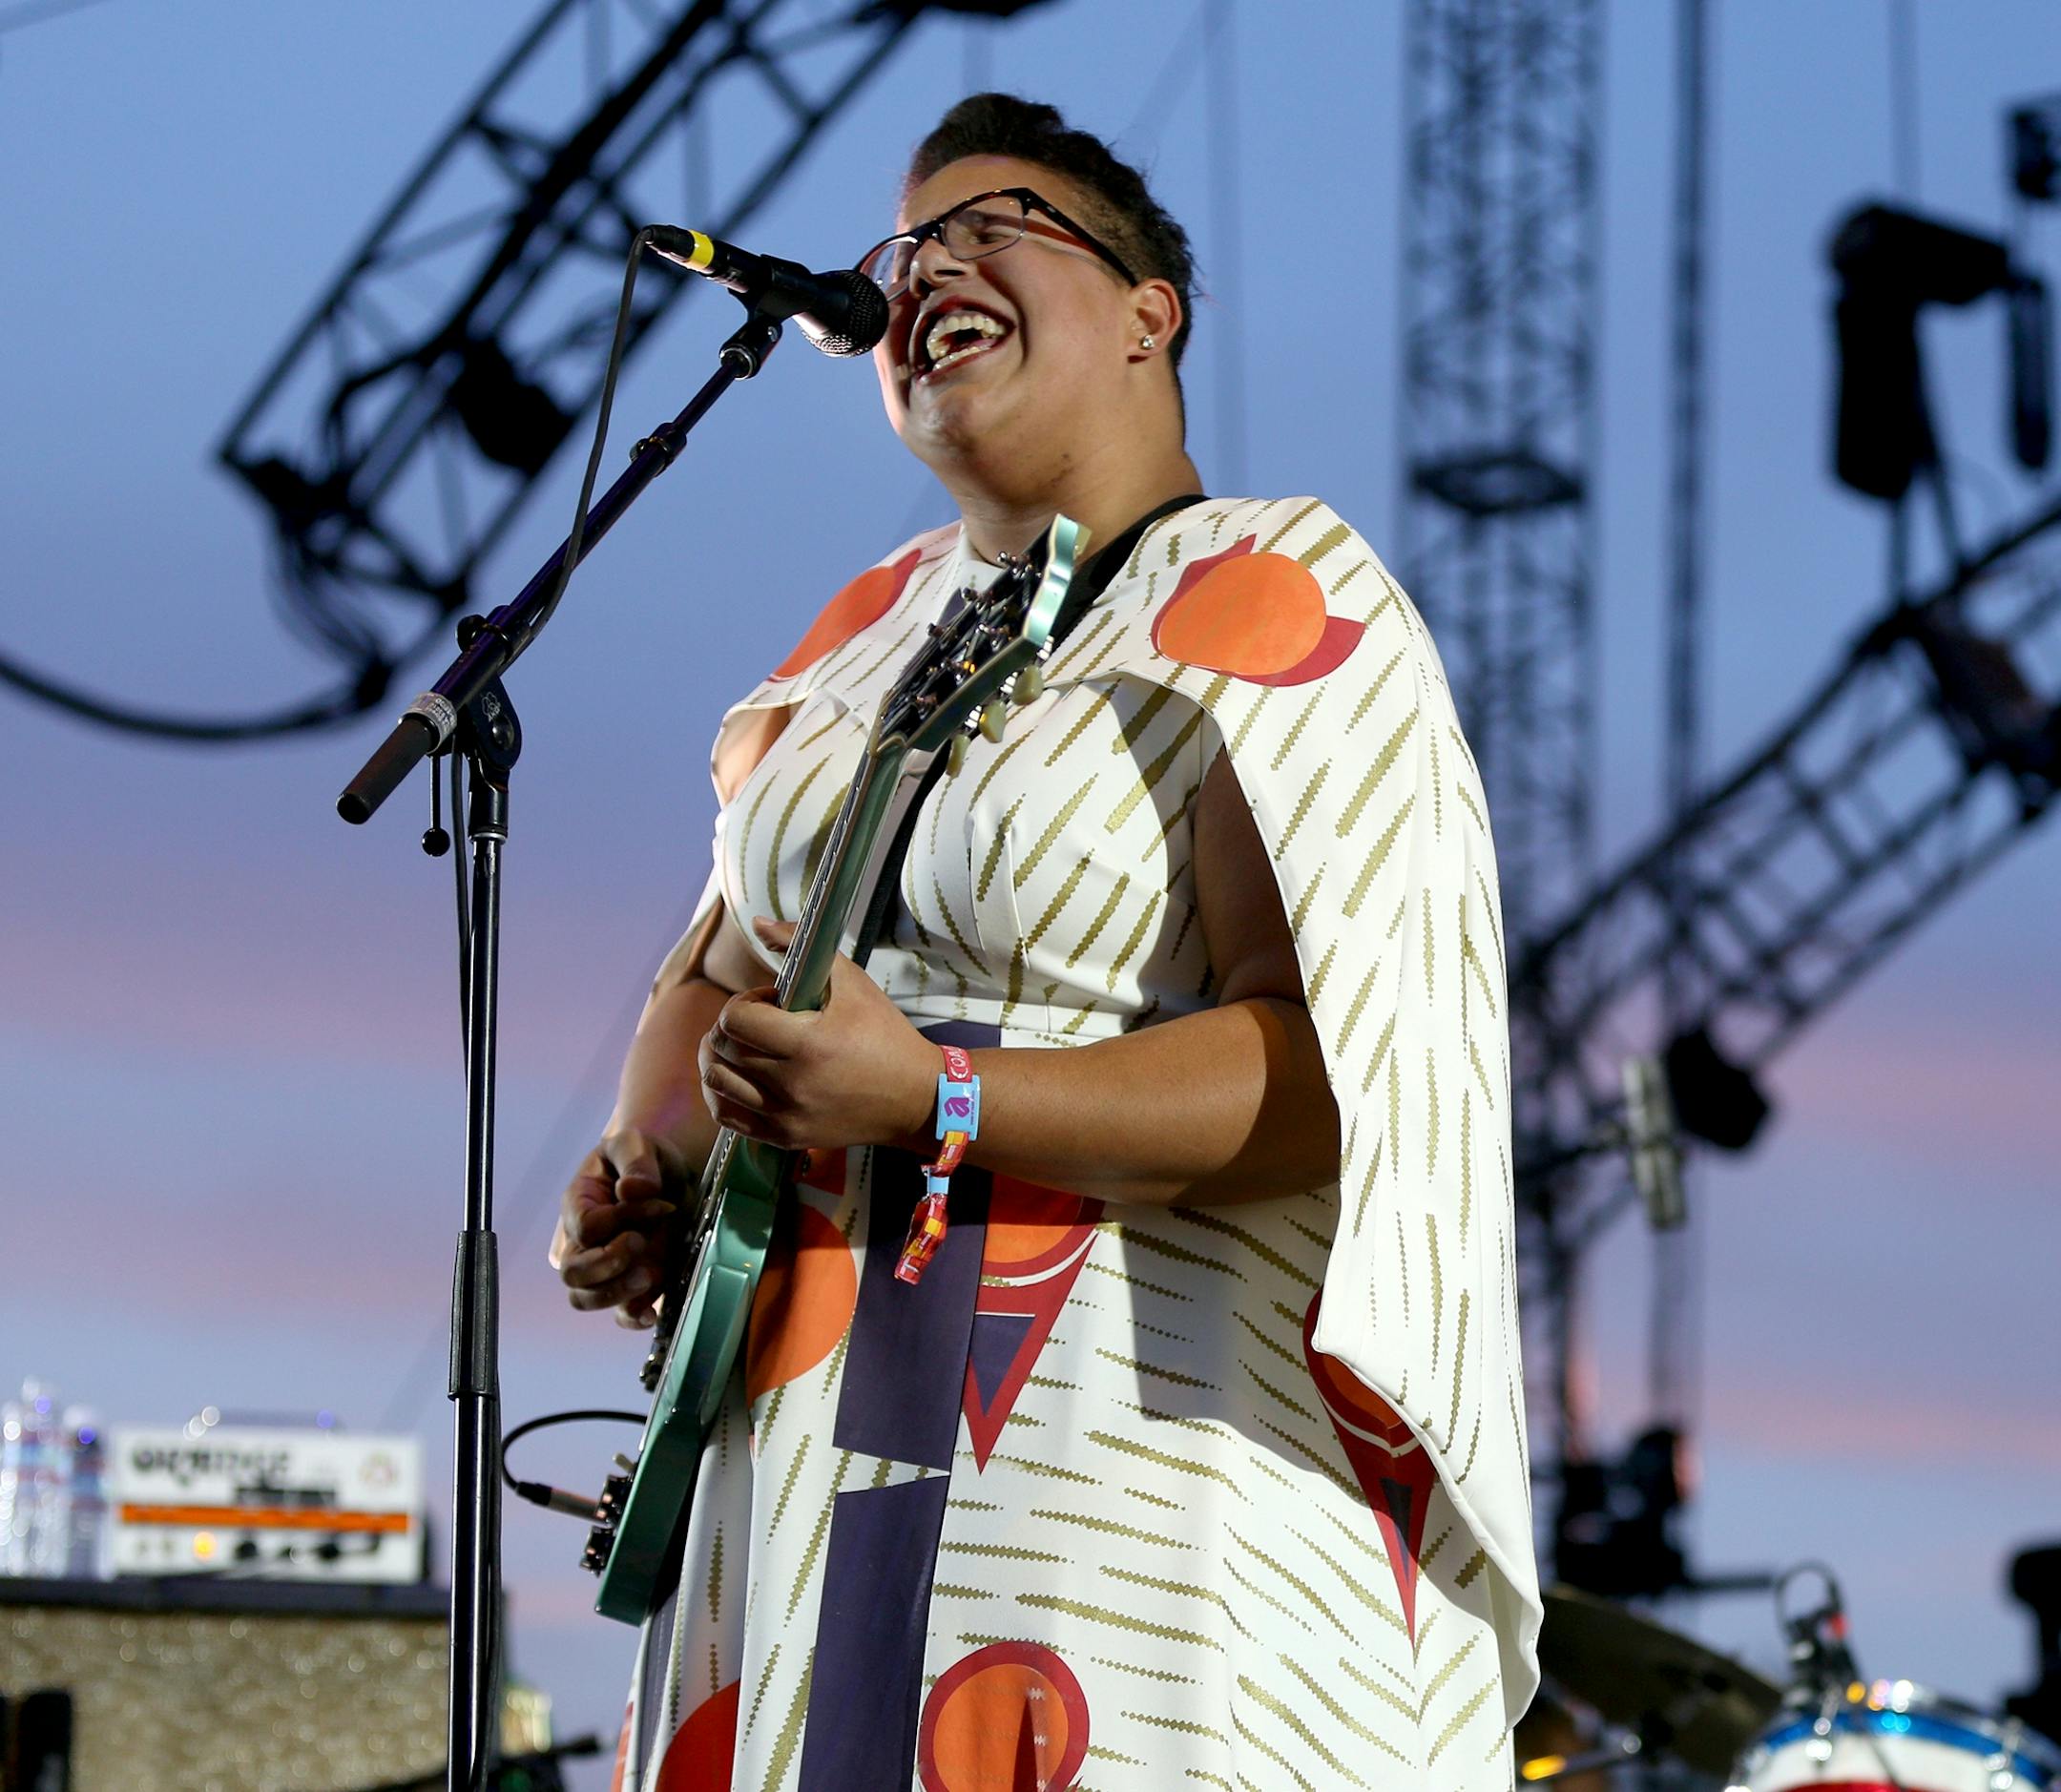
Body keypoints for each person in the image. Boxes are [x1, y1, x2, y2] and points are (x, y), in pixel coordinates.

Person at [552, 94, 1540, 1792]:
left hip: (1126, 1499)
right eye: (905, 247)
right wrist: (647, 1159)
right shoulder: (861, 632)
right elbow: (719, 968)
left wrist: (934, 1097)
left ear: (1152, 311)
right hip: (796, 1471)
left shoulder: (1272, 589)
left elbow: (1324, 1085)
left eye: (993, 223)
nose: (930, 264)